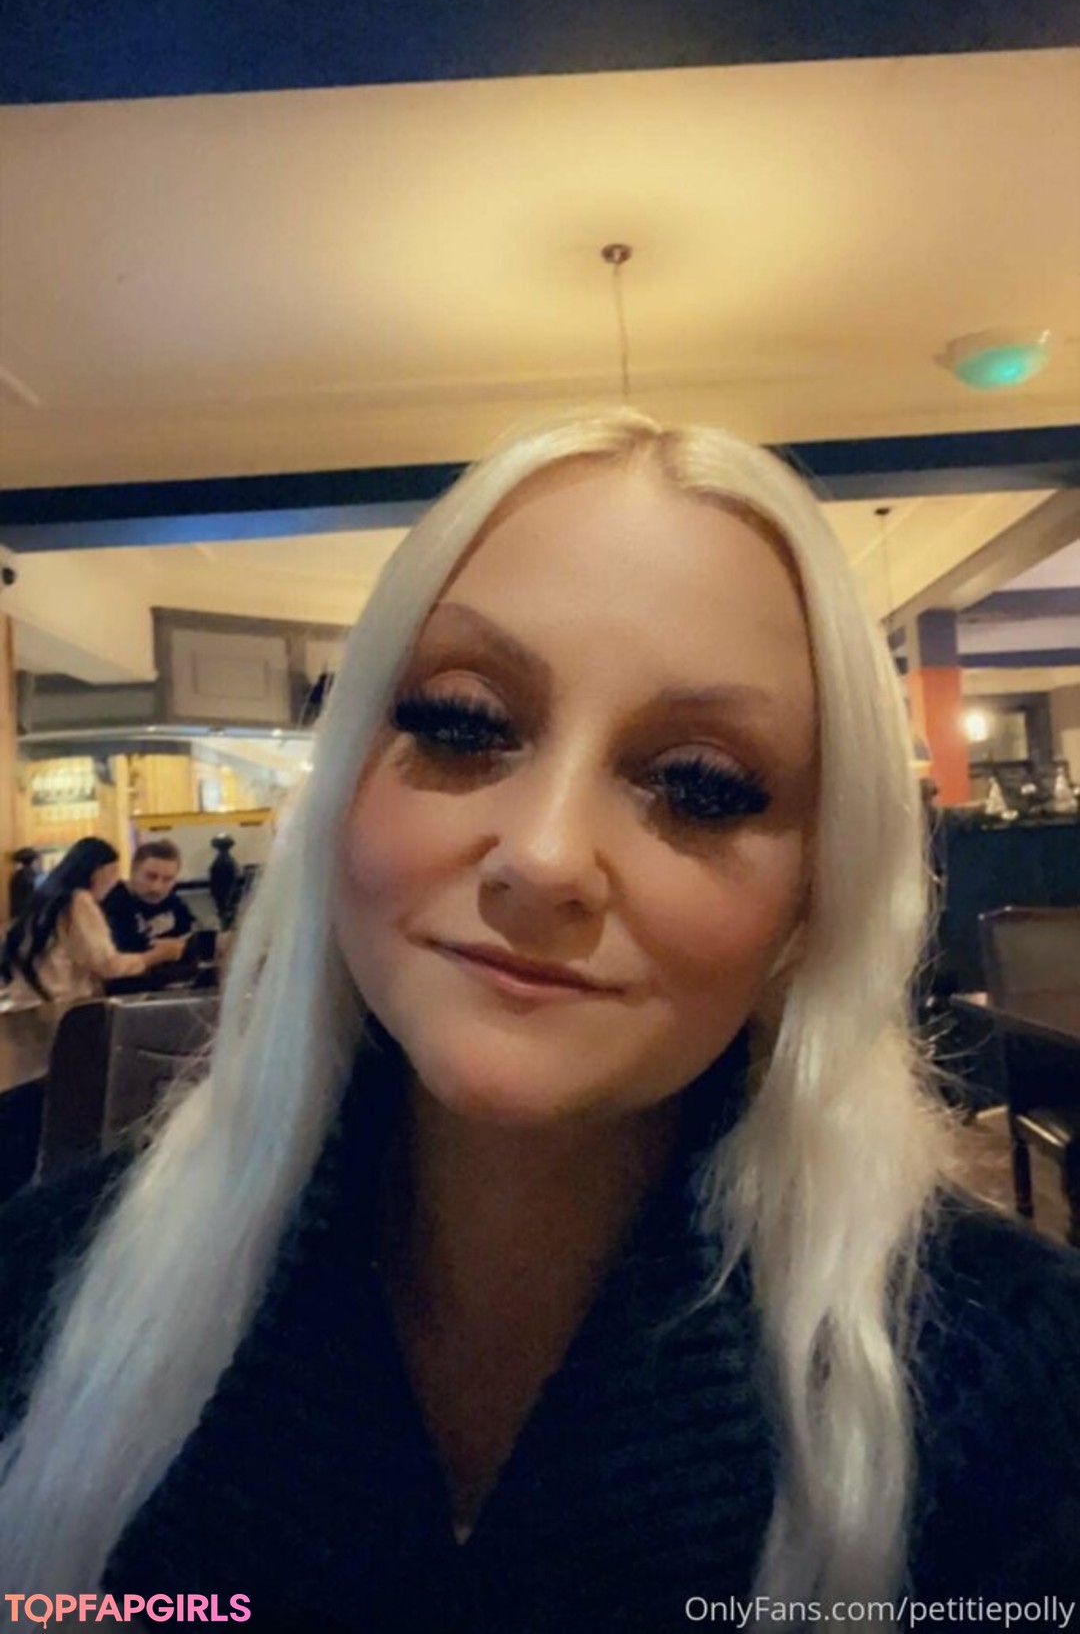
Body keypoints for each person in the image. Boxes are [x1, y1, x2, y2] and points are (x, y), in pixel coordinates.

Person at [0, 414, 1077, 1630]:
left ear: (809, 903)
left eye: (702, 784)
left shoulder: (1018, 1393)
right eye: (462, 723)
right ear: (346, 782)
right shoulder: (39, 1289)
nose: (547, 855)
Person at [0, 836, 188, 1008]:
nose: (114, 880)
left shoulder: (48, 897)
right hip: (61, 1004)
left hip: (28, 1002)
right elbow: (107, 964)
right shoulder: (79, 901)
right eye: (113, 872)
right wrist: (156, 956)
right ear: (97, 872)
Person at [102, 838, 195, 954]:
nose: (157, 887)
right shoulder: (111, 902)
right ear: (133, 871)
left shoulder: (175, 903)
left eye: (167, 879)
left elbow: (191, 944)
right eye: (151, 877)